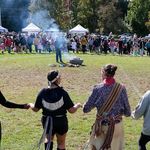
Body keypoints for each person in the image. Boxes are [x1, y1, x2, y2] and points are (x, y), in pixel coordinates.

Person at [29, 70, 82, 150]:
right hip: (61, 121)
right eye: (60, 77)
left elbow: (35, 109)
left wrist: (30, 104)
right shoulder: (63, 93)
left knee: (48, 140)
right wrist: (77, 105)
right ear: (57, 79)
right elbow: (71, 110)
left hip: (47, 120)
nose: (61, 78)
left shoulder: (42, 92)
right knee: (61, 143)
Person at [83, 64, 131, 150]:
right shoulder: (121, 88)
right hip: (117, 127)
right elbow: (128, 112)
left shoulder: (97, 89)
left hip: (101, 128)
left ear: (104, 73)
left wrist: (83, 105)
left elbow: (86, 109)